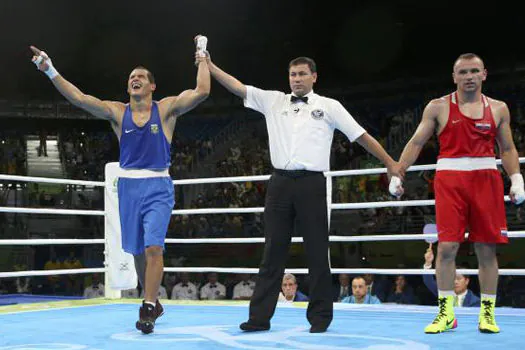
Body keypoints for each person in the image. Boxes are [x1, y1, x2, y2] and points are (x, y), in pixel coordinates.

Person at [205, 52, 402, 333]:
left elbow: (360, 135)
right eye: (292, 75)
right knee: (272, 251)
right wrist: (210, 66)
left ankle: (320, 318)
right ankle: (259, 318)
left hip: (312, 184)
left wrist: (390, 163)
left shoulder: (329, 106)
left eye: (301, 74)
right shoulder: (274, 100)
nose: (296, 79)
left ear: (314, 77)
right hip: (280, 184)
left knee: (318, 252)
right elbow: (237, 87)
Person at [30, 36, 210, 334]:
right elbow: (79, 98)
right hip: (128, 188)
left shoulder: (165, 110)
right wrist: (50, 70)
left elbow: (202, 90)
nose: (135, 79)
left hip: (157, 186)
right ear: (128, 88)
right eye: (131, 78)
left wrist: (202, 57)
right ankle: (151, 298)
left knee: (154, 248)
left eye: (141, 76)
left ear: (152, 86)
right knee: (138, 250)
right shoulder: (117, 112)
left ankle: (148, 307)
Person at [390, 53, 525, 334]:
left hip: (486, 179)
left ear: (484, 74)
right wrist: (398, 172)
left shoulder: (498, 108)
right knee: (447, 247)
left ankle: (487, 314)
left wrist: (516, 179)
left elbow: (508, 149)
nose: (469, 76)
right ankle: (446, 313)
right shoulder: (438, 107)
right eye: (463, 72)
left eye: (474, 71)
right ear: (454, 77)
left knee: (486, 249)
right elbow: (416, 142)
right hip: (450, 180)